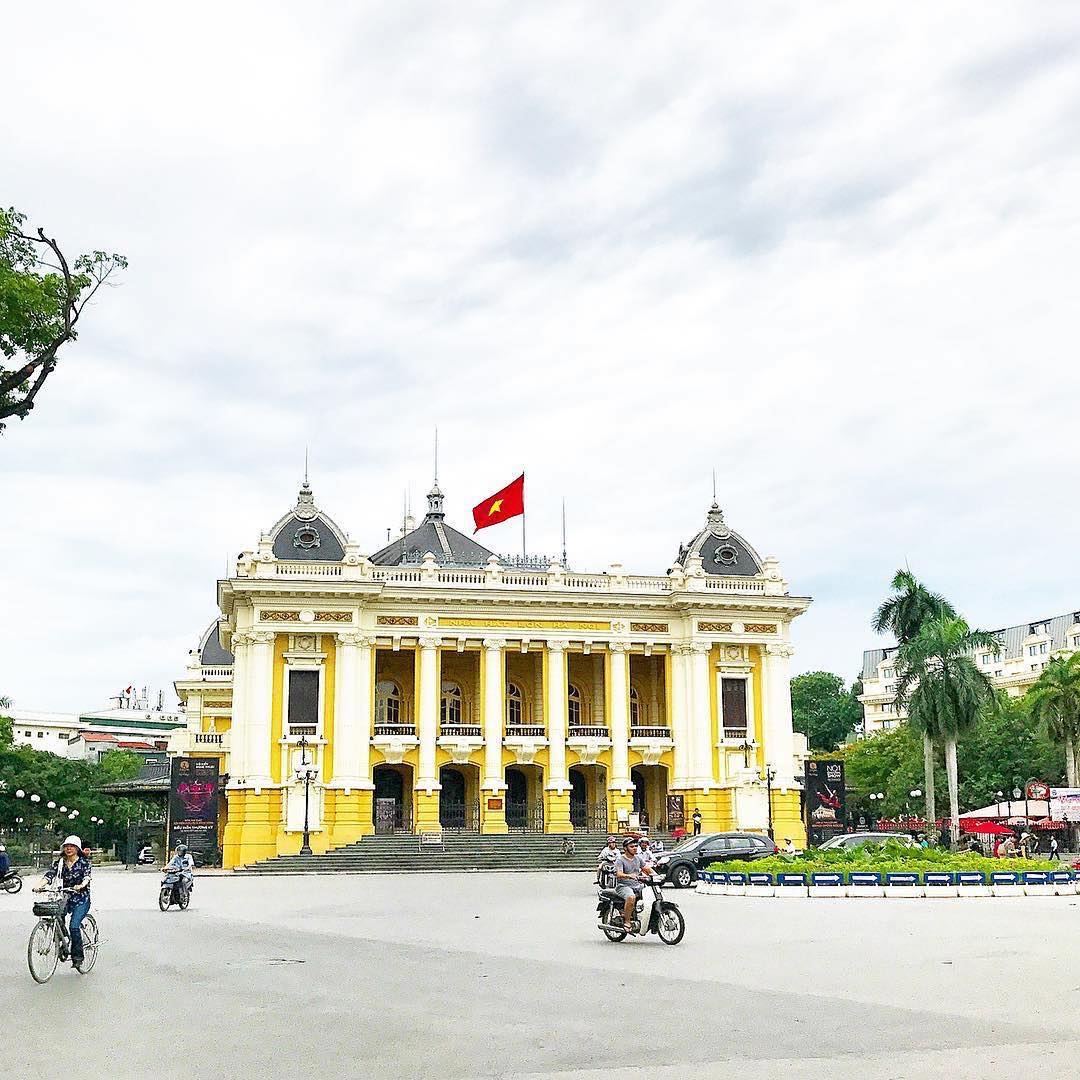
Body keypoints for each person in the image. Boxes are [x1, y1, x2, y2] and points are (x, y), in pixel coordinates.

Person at [38, 835, 91, 966]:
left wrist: (81, 885)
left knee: (74, 926)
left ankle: (77, 957)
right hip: (65, 897)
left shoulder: (84, 863)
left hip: (81, 899)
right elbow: (50, 875)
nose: (69, 849)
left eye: (72, 846)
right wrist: (40, 885)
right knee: (57, 916)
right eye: (66, 846)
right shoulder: (60, 863)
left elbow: (87, 877)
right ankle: (63, 941)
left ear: (77, 849)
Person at [614, 836, 654, 933]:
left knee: (651, 895)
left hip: (637, 885)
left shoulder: (638, 859)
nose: (635, 848)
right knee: (631, 897)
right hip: (623, 886)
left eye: (636, 846)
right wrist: (629, 876)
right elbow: (618, 874)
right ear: (625, 848)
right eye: (632, 846)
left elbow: (647, 869)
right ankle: (627, 921)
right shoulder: (620, 860)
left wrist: (656, 876)